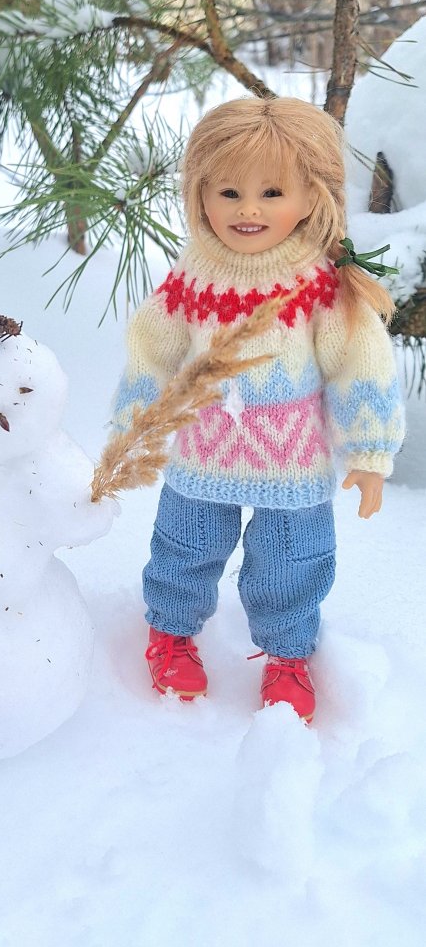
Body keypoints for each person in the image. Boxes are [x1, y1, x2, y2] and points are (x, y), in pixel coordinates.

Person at [111, 96, 405, 723]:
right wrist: (139, 422)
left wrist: (370, 448)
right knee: (183, 548)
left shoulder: (319, 283)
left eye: (272, 192)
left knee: (291, 562)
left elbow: (361, 361)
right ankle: (172, 631)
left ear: (312, 197)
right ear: (200, 194)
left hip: (293, 460)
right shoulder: (191, 278)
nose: (248, 210)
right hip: (202, 449)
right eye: (228, 192)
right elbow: (150, 348)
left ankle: (288, 655)